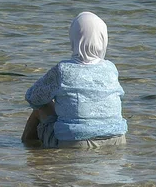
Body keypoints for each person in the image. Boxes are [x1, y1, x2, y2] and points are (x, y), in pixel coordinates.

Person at [21, 11, 128, 148]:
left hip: (76, 142)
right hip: (117, 139)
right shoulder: (111, 68)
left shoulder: (63, 70)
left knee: (41, 108)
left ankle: (27, 149)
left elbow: (33, 98)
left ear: (73, 37)